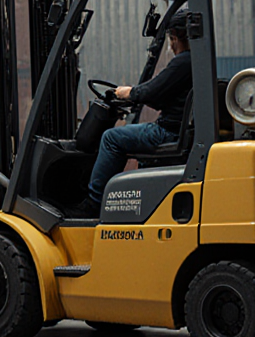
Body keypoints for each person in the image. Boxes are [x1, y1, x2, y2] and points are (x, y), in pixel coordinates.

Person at [64, 13, 193, 219]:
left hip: (169, 133)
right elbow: (160, 96)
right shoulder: (199, 62)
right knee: (127, 136)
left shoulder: (184, 61)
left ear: (175, 36)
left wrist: (127, 92)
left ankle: (93, 204)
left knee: (111, 138)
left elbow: (151, 92)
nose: (171, 45)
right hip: (180, 131)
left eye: (171, 39)